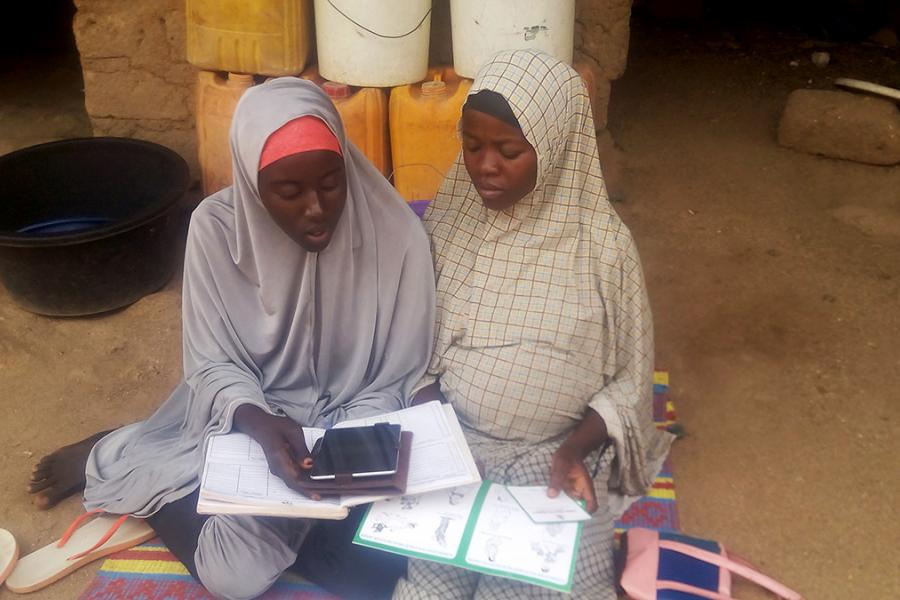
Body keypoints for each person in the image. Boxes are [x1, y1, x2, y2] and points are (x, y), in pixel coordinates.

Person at [27, 78, 434, 600]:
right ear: (251, 183)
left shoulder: (394, 234)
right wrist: (259, 424)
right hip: (252, 420)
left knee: (387, 575)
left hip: (351, 426)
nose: (316, 207)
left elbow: (398, 372)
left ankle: (303, 517)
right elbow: (212, 363)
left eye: (332, 183)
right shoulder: (215, 230)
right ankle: (117, 451)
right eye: (289, 192)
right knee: (233, 575)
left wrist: (341, 454)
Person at [393, 50, 674, 599]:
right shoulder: (448, 226)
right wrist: (438, 441)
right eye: (472, 146)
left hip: (553, 454)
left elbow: (629, 381)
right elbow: (412, 355)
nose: (485, 166)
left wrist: (574, 451)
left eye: (510, 150)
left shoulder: (604, 249)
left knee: (525, 586)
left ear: (556, 148)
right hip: (458, 450)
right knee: (430, 587)